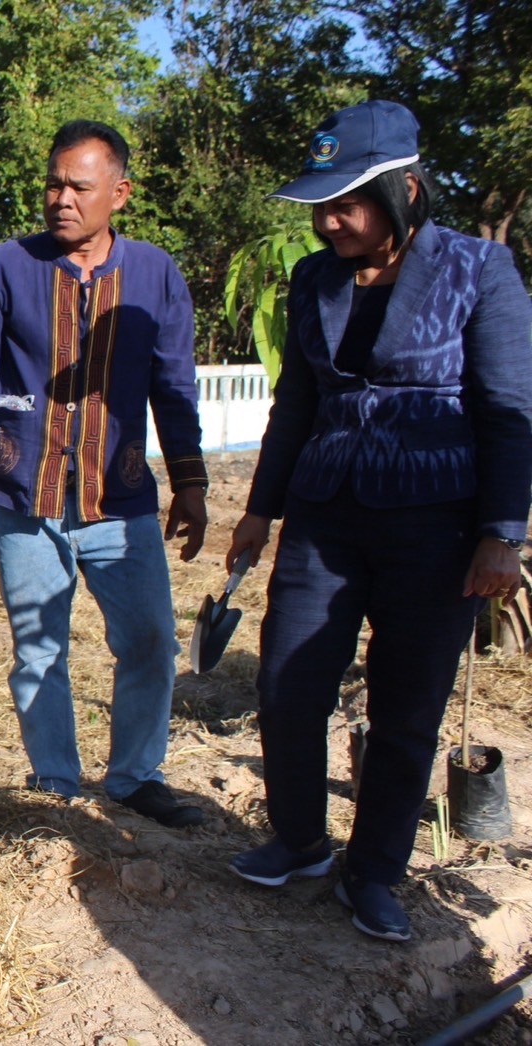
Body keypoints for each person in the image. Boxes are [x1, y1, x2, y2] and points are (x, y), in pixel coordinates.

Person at [225, 100, 532, 942]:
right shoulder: (315, 278)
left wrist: (503, 533)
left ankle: (376, 873)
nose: (328, 221)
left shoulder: (479, 271)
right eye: (320, 205)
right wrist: (260, 509)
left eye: (347, 203)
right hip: (323, 518)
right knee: (288, 685)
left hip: (435, 528)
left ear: (405, 188)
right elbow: (296, 402)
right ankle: (296, 839)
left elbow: (508, 409)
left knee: (406, 709)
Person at [0, 120, 209, 828]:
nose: (60, 198)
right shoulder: (5, 266)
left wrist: (192, 481)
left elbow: (174, 385)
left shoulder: (155, 275)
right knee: (39, 649)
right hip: (25, 493)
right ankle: (55, 784)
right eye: (53, 183)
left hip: (120, 497)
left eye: (78, 187)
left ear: (119, 193)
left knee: (150, 639)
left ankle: (134, 775)